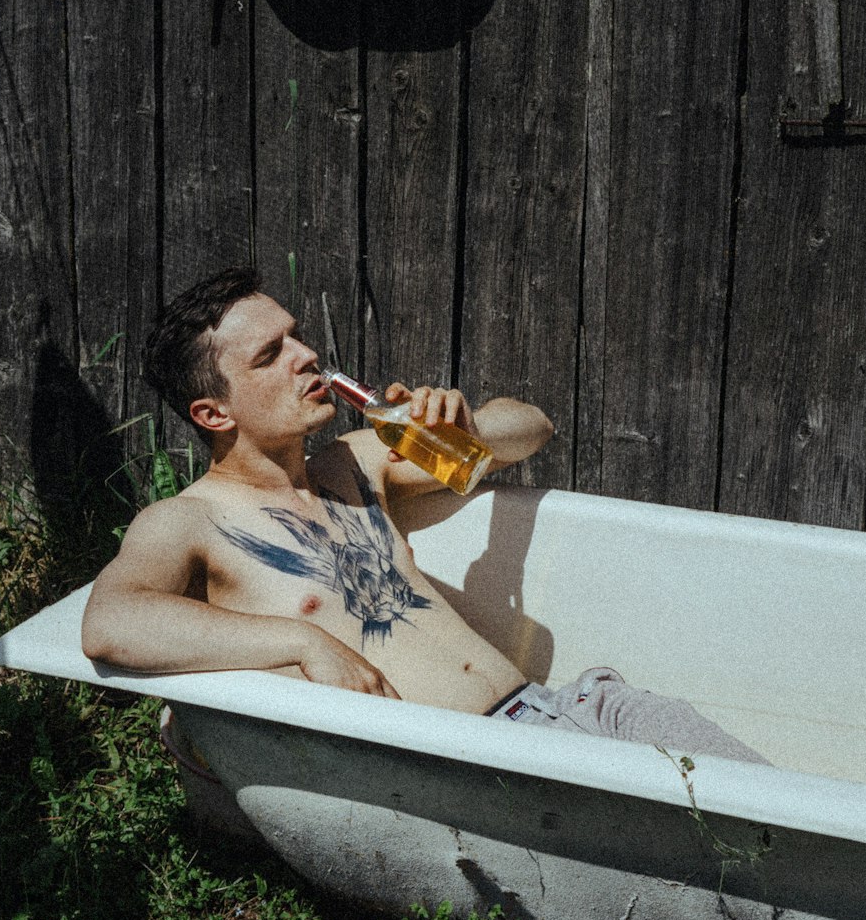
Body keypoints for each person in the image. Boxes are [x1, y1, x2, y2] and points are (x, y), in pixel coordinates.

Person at [82, 267, 767, 764]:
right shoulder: (189, 520)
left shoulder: (355, 463)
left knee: (773, 793)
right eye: (272, 355)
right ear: (214, 413)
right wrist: (304, 642)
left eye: (296, 337)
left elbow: (532, 429)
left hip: (576, 705)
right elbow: (111, 624)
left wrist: (461, 423)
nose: (307, 356)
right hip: (501, 761)